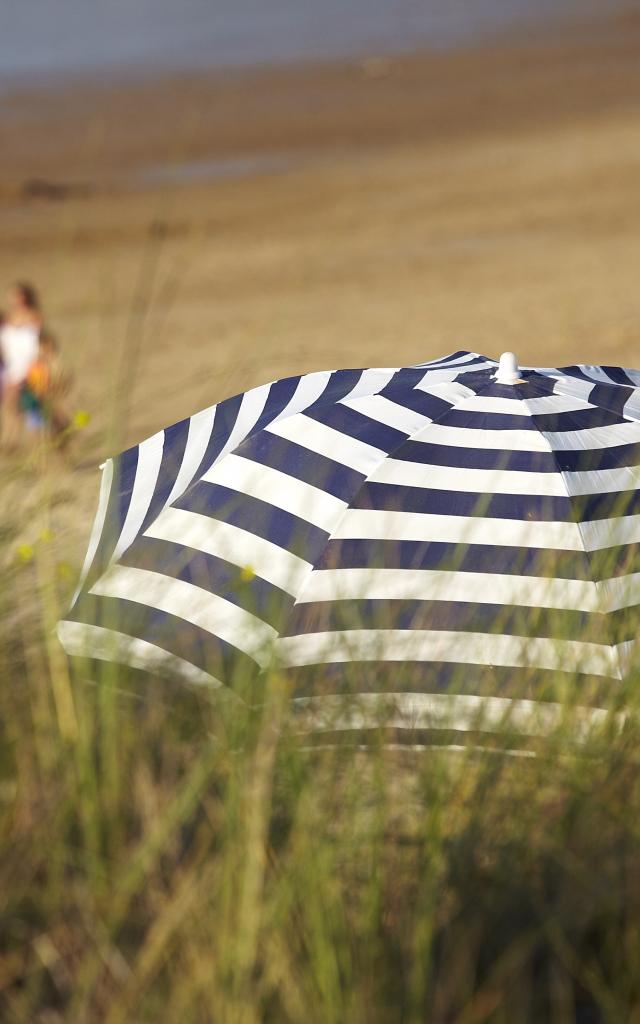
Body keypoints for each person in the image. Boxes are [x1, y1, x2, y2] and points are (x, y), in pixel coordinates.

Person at [0, 282, 42, 449]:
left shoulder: (34, 316)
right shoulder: (7, 317)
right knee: (12, 404)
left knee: (30, 405)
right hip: (11, 365)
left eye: (17, 295)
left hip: (29, 366)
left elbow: (34, 341)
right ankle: (11, 439)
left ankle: (14, 440)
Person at [21, 328, 73, 442]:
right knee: (38, 433)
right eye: (42, 347)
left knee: (59, 429)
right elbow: (31, 383)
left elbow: (65, 380)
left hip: (53, 400)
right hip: (39, 402)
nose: (44, 350)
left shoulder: (56, 363)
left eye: (46, 347)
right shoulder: (36, 364)